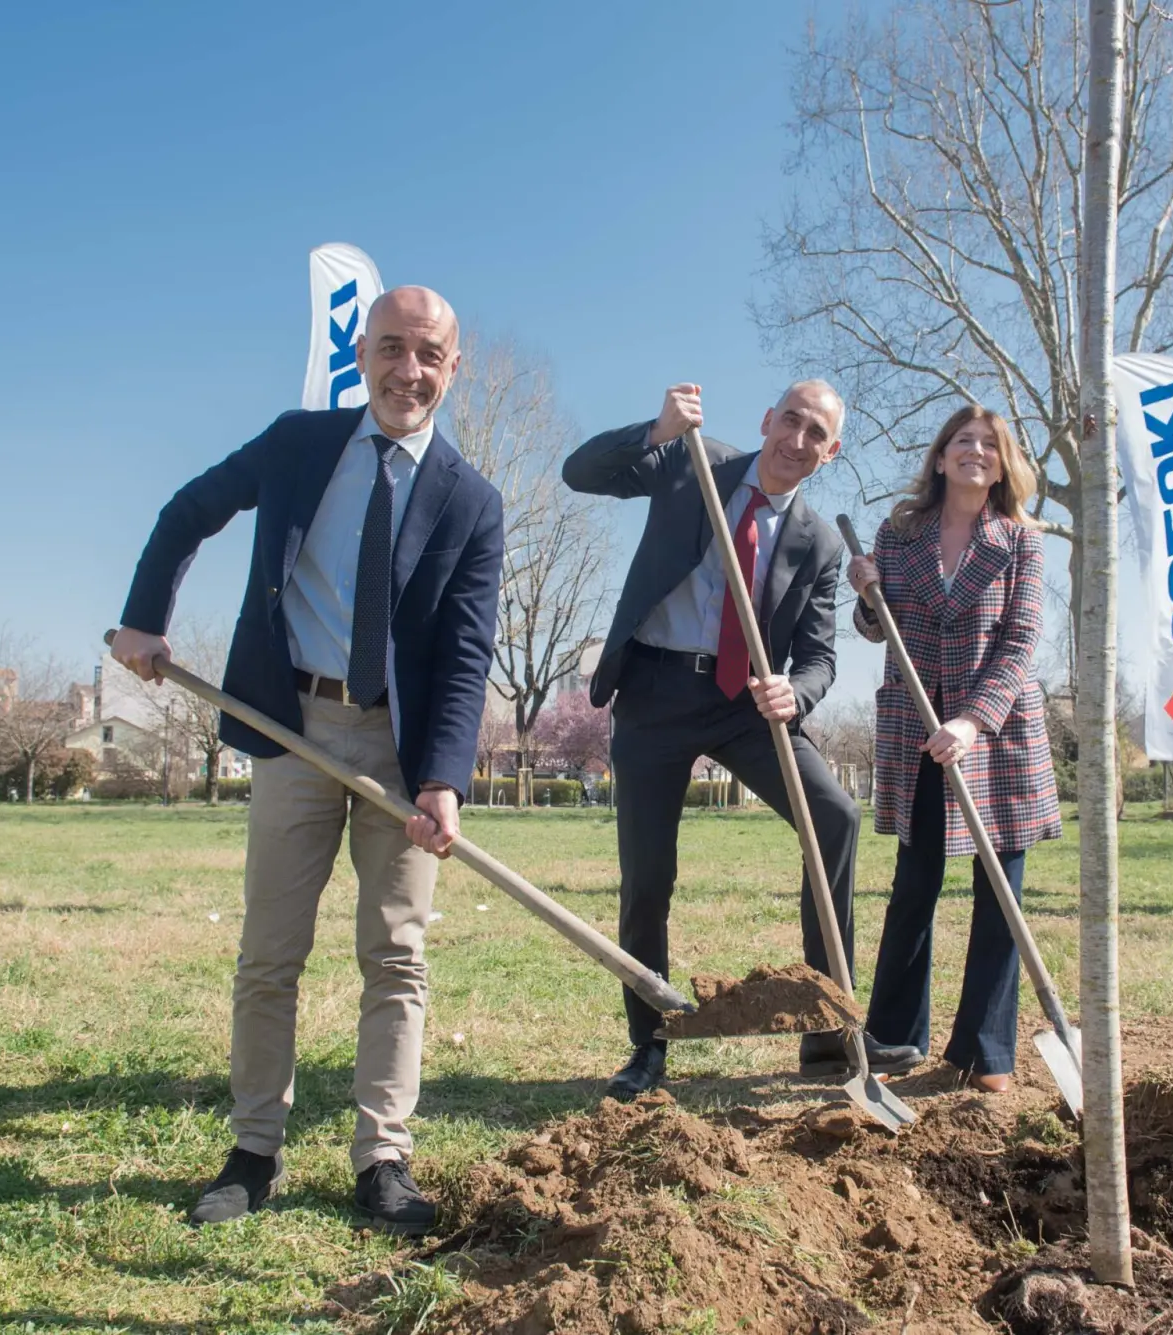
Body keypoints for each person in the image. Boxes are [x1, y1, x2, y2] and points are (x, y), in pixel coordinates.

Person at [110, 287, 504, 1235]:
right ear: (363, 353)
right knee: (270, 953)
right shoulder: (297, 443)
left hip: (400, 754)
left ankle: (383, 1160)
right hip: (291, 725)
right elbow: (189, 508)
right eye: (393, 348)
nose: (409, 370)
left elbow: (465, 652)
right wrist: (146, 619)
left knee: (396, 956)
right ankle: (253, 1152)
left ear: (453, 369)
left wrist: (443, 776)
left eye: (429, 355)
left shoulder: (473, 501)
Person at [563, 380, 922, 1100]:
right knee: (648, 876)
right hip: (657, 693)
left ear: (831, 451)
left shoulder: (818, 543)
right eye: (790, 420)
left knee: (835, 816)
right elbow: (581, 472)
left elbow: (820, 656)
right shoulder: (695, 462)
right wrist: (656, 427)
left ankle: (828, 1029)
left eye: (816, 432)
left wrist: (800, 690)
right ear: (766, 419)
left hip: (746, 703)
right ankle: (648, 1044)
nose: (797, 439)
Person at [847, 406, 1063, 1094]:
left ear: (1003, 464)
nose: (975, 451)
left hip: (993, 738)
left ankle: (984, 1049)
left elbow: (1020, 640)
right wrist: (865, 593)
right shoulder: (898, 533)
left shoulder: (1022, 541)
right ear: (940, 458)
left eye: (989, 444)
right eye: (961, 441)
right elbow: (876, 627)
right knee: (914, 886)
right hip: (918, 732)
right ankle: (894, 1038)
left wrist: (972, 720)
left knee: (1000, 893)